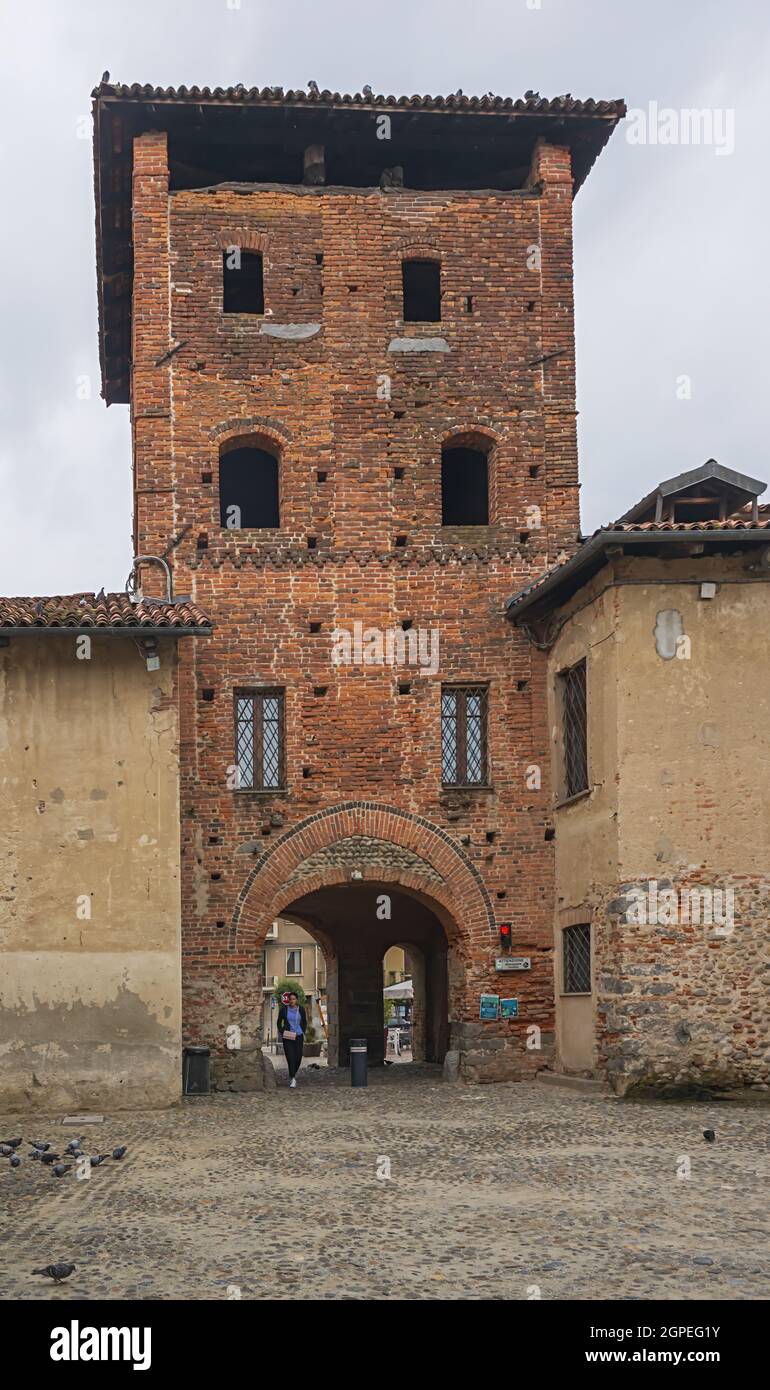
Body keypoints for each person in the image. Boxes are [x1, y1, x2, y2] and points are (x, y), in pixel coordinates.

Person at [277, 991, 307, 1088]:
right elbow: (279, 1022)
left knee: (298, 1057)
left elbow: (304, 1021)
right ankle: (293, 1078)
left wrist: (303, 1030)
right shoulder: (284, 1010)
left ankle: (293, 1073)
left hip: (298, 1036)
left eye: (294, 999)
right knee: (290, 1057)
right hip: (288, 1036)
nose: (292, 1001)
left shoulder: (301, 1009)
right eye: (290, 999)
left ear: (296, 1000)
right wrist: (282, 1031)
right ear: (288, 1000)